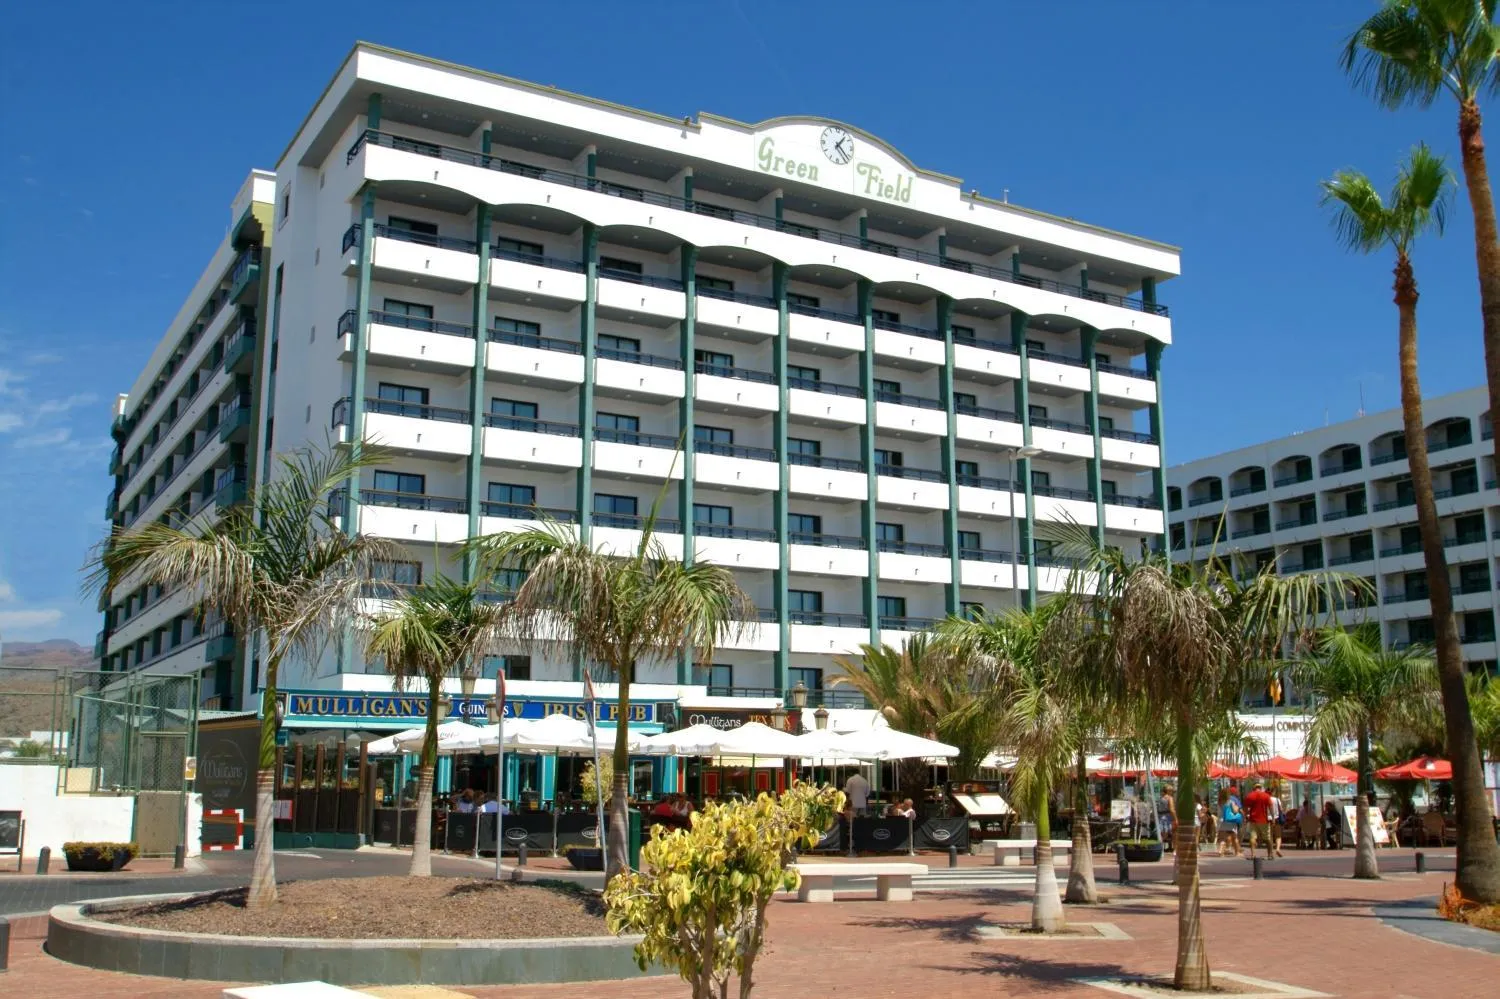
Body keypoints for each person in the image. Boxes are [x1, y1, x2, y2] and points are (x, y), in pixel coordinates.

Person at [1243, 782, 1274, 859]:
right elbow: (1271, 807)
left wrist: (1245, 817)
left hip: (1253, 820)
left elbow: (1245, 808)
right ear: (1261, 788)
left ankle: (1253, 854)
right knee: (1267, 838)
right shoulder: (1266, 796)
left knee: (1253, 837)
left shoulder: (1250, 795)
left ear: (1254, 788)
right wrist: (1273, 818)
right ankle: (1270, 855)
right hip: (1264, 820)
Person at [1217, 788, 1242, 857]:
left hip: (1221, 821)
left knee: (1222, 838)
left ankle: (1221, 852)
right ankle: (1237, 852)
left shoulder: (1219, 802)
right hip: (1230, 821)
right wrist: (1237, 808)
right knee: (1234, 838)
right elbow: (1235, 811)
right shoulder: (1230, 802)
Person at [1158, 786, 1176, 850]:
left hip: (1161, 817)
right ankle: (1174, 849)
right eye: (1172, 791)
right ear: (1168, 791)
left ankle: (1162, 848)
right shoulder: (1170, 798)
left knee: (1163, 834)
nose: (1172, 792)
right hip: (1168, 817)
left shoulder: (1161, 798)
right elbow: (1172, 810)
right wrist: (1175, 819)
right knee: (1171, 833)